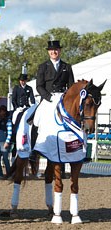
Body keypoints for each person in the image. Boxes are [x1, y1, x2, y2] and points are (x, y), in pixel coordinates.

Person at [30, 40, 75, 177]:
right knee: (36, 119)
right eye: (51, 50)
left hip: (62, 98)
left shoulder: (67, 66)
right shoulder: (43, 66)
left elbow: (71, 85)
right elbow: (39, 86)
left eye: (56, 50)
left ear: (59, 51)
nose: (54, 52)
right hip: (48, 99)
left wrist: (66, 97)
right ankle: (33, 151)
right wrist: (48, 97)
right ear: (48, 52)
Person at [0, 105, 12, 179]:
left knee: (6, 159)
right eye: (0, 111)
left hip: (4, 142)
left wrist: (7, 141)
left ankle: (9, 174)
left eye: (3, 111)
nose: (1, 113)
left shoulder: (8, 120)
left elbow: (9, 132)